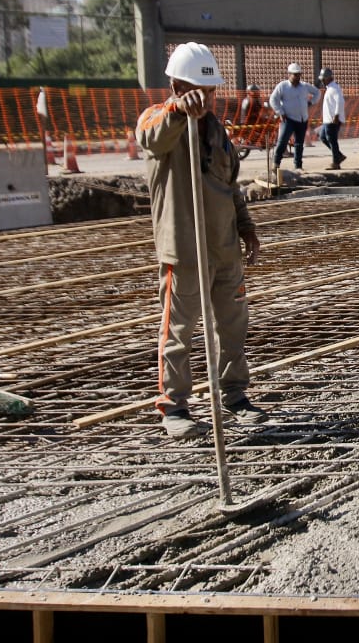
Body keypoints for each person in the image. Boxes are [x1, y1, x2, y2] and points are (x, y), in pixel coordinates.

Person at [134, 42, 266, 439]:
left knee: (233, 324)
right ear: (176, 85)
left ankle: (235, 394)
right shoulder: (159, 120)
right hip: (185, 251)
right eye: (198, 90)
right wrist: (178, 111)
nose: (207, 99)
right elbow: (150, 137)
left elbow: (231, 187)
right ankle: (174, 407)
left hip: (223, 249)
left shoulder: (218, 133)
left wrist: (246, 228)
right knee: (179, 331)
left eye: (211, 92)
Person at [269, 63, 319, 171]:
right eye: (294, 75)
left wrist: (311, 102)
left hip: (302, 119)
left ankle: (298, 166)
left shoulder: (304, 86)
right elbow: (273, 99)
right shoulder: (283, 86)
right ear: (289, 74)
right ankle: (276, 163)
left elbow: (317, 92)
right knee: (282, 141)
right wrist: (280, 112)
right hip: (288, 119)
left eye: (298, 75)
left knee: (299, 144)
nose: (297, 77)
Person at [316, 68, 347, 169]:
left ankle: (336, 162)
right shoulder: (330, 88)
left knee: (332, 140)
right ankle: (339, 155)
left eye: (324, 79)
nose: (322, 81)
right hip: (328, 119)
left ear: (329, 78)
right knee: (323, 137)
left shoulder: (334, 88)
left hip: (332, 119)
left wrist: (337, 115)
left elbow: (340, 102)